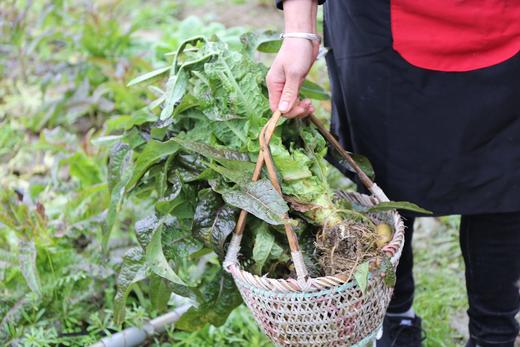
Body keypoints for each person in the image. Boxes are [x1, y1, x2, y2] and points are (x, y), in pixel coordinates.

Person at [267, 1, 520, 346]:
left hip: (506, 20)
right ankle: (393, 322)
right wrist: (299, 30)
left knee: (505, 177)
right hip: (378, 25)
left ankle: (495, 336)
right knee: (386, 179)